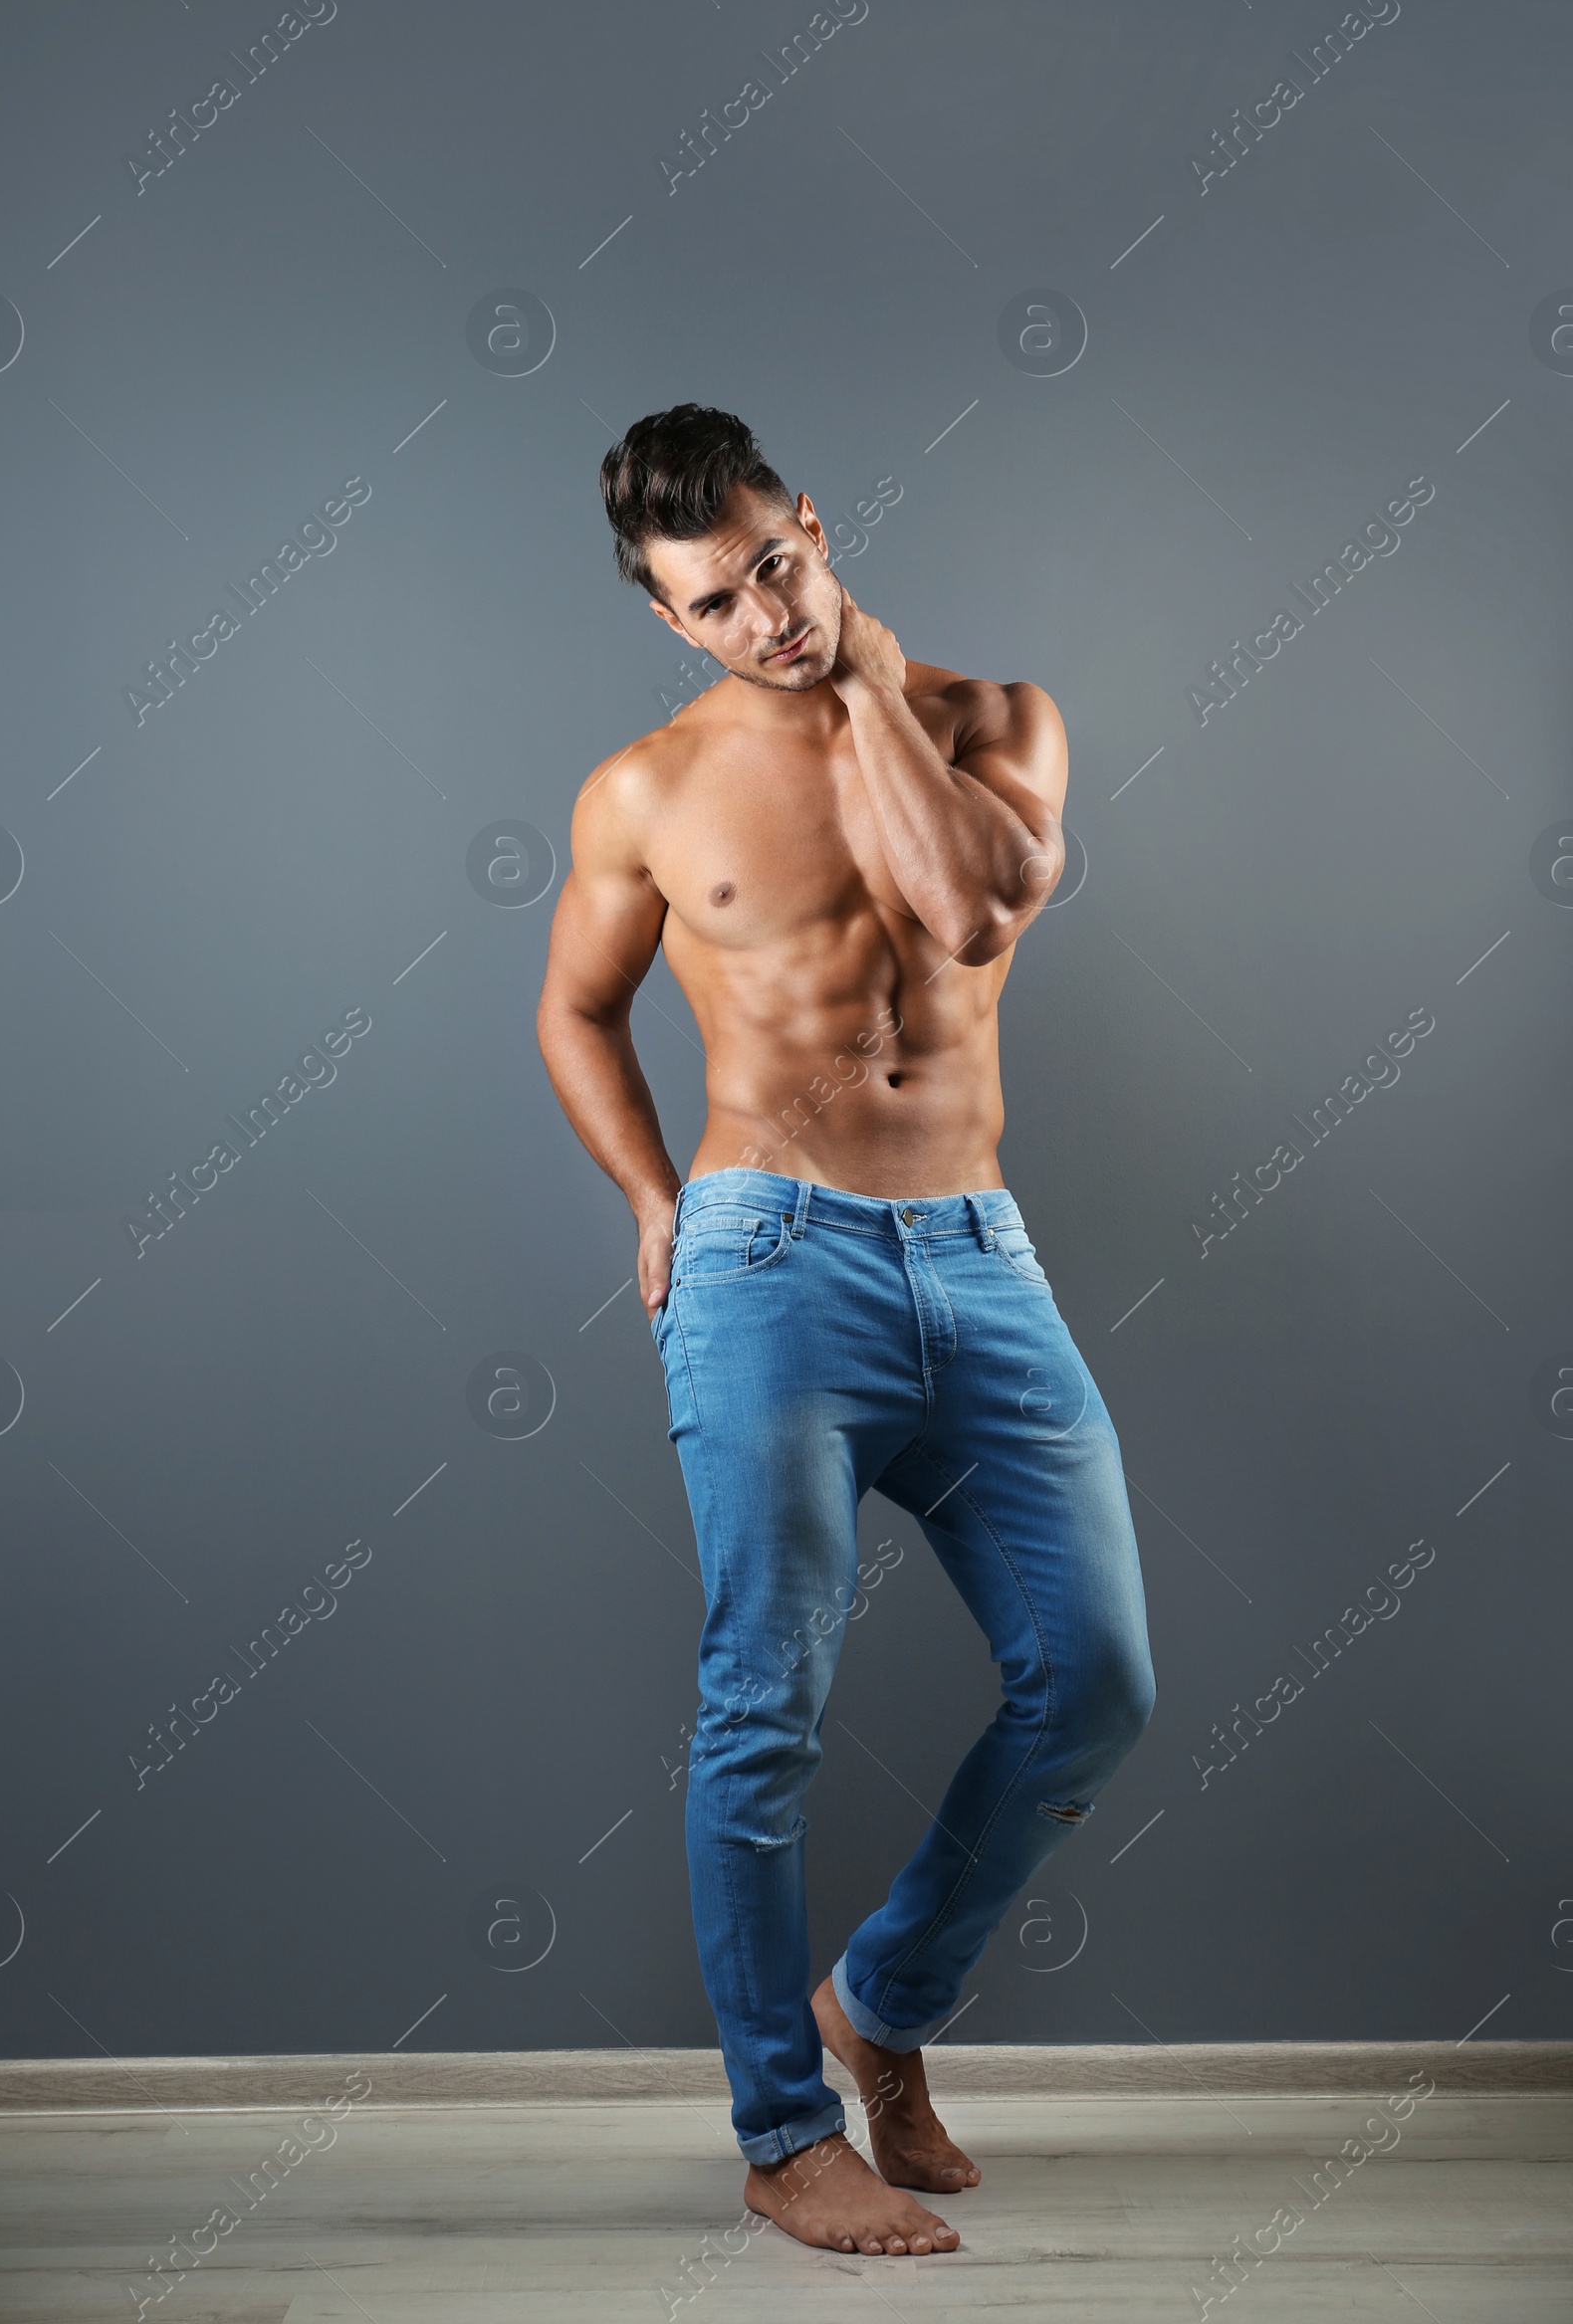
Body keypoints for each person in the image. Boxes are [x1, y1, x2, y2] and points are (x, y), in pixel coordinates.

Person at [537, 404, 1156, 2259]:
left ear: (815, 522)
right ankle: (783, 2125)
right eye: (714, 606)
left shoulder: (992, 719)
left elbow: (970, 907)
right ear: (668, 618)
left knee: (1096, 1677)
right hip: (765, 1257)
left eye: (778, 573)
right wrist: (658, 1201)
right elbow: (577, 1012)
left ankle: (876, 2006)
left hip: (979, 1251)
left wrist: (865, 684)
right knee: (763, 1709)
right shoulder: (642, 791)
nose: (763, 624)